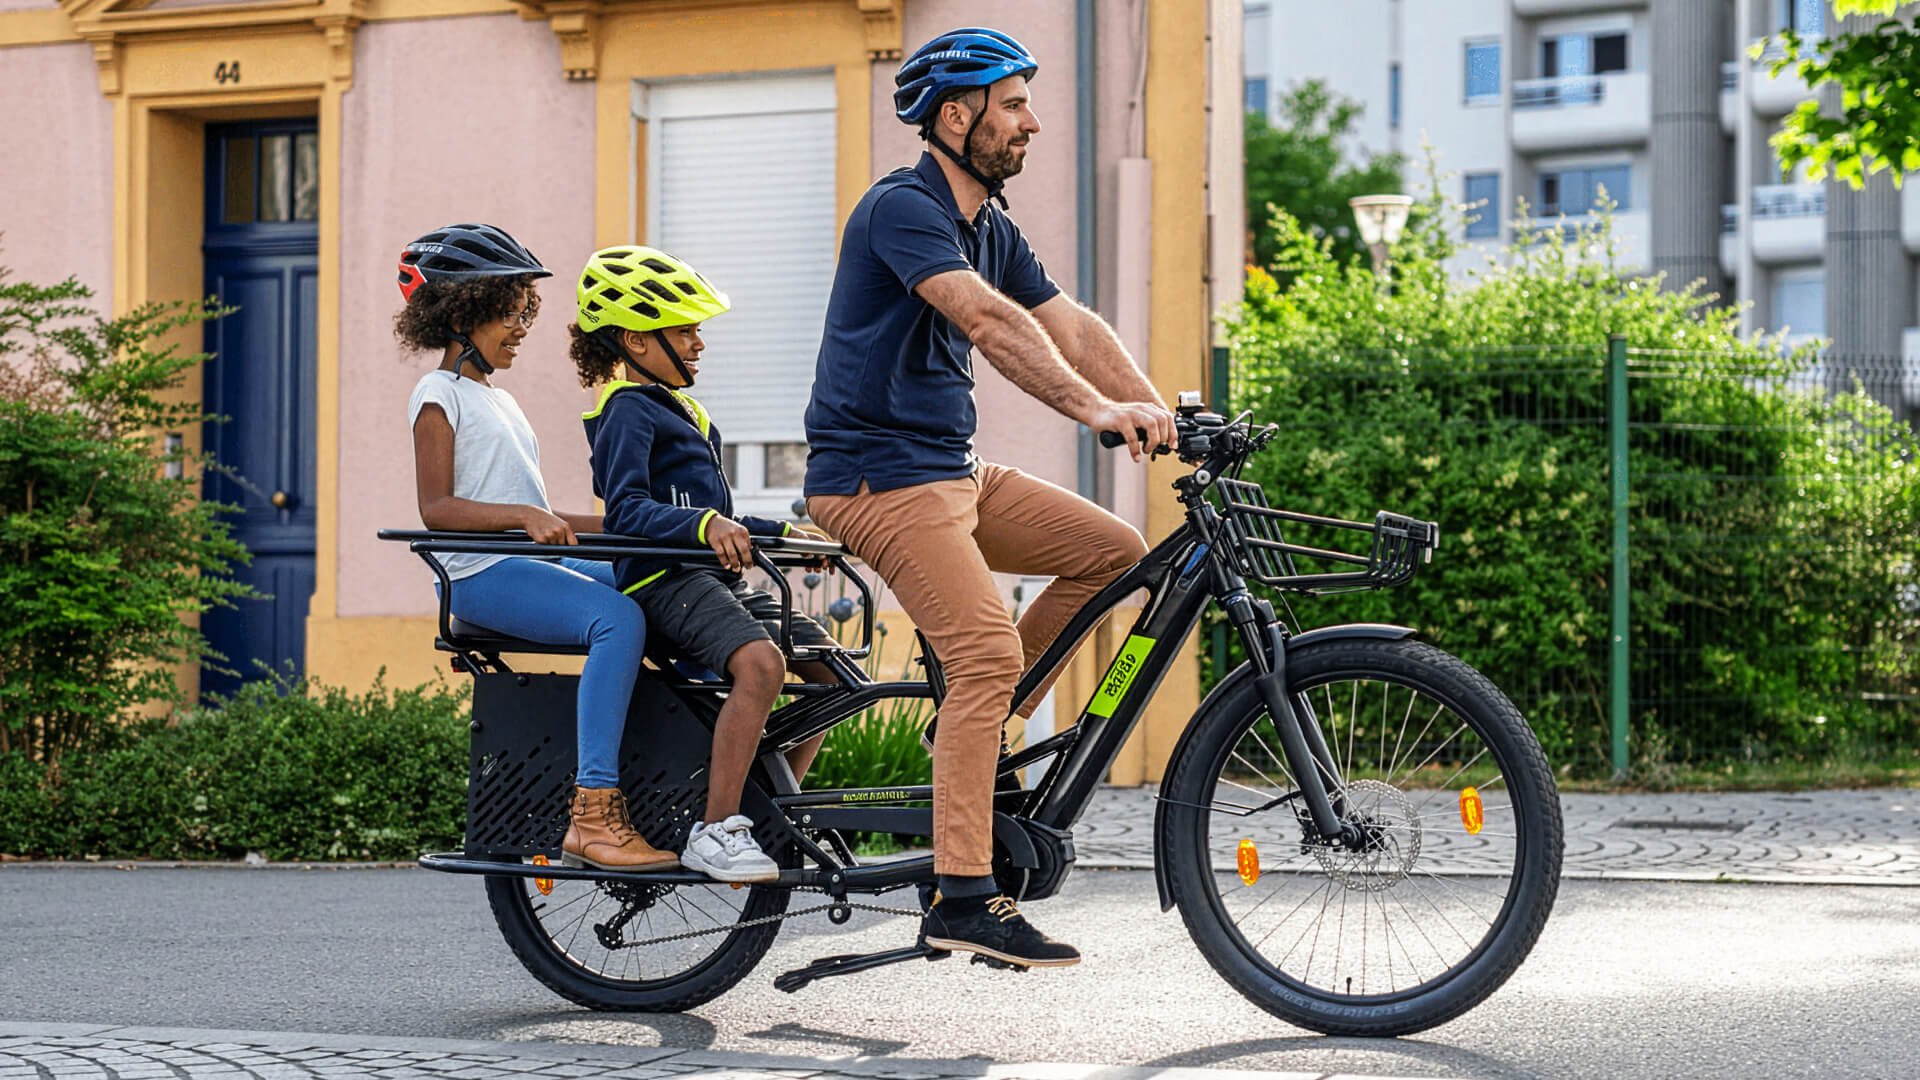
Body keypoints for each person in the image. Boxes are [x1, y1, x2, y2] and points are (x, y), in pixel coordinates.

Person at [803, 28, 1178, 968]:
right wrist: (1095, 410)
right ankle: (962, 896)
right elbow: (986, 318)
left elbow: (1068, 323)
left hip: (950, 471)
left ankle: (976, 731)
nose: (1032, 122)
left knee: (1114, 552)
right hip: (875, 479)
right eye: (1012, 105)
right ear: (955, 115)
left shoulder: (988, 223)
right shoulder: (903, 208)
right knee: (981, 655)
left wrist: (1161, 413)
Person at [397, 223, 675, 875]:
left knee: (649, 581)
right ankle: (595, 810)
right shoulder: (437, 396)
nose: (523, 324)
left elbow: (547, 519)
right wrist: (521, 517)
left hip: (530, 562)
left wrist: (639, 528)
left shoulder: (503, 401)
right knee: (618, 617)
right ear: (461, 311)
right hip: (482, 574)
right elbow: (435, 509)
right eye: (510, 309)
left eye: (527, 308)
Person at [571, 244, 838, 884]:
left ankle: (769, 806)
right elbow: (627, 511)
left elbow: (711, 510)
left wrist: (783, 532)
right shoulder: (624, 409)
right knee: (760, 664)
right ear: (637, 339)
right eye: (685, 329)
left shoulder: (684, 411)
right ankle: (718, 828)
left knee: (828, 675)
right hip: (663, 581)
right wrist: (705, 525)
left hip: (706, 576)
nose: (698, 342)